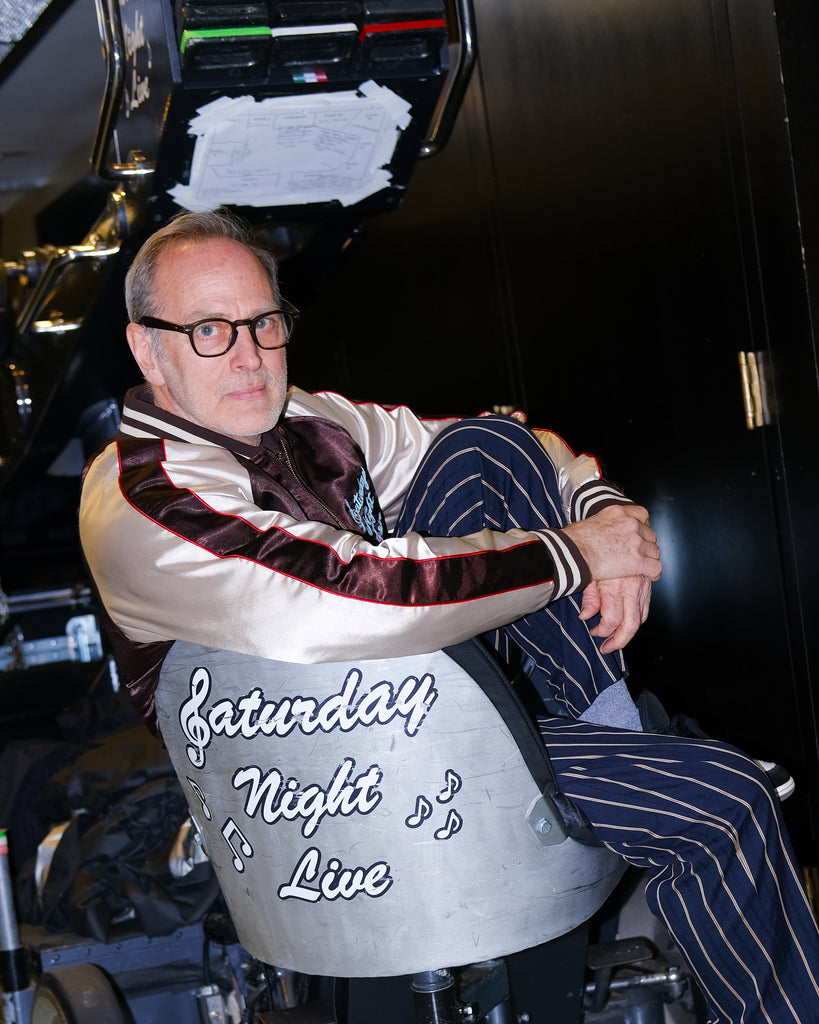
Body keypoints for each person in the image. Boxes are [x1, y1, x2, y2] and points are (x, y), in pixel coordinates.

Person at [80, 210, 819, 1023]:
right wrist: (574, 553)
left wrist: (602, 508)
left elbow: (501, 442)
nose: (251, 355)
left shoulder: (300, 419)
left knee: (480, 454)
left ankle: (612, 726)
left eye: (264, 322)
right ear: (147, 349)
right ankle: (629, 754)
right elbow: (347, 594)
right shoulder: (142, 499)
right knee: (725, 801)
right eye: (211, 330)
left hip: (434, 716)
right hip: (327, 789)